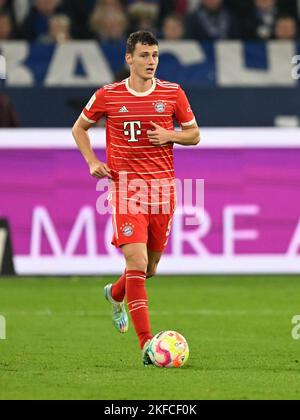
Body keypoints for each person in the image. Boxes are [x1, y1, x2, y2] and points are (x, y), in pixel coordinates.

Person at [72, 31, 200, 365]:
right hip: (127, 191)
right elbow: (79, 128)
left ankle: (114, 295)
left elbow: (195, 134)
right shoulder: (108, 95)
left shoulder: (173, 93)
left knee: (150, 269)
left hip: (162, 192)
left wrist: (169, 134)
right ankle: (147, 345)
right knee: (137, 264)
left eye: (155, 55)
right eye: (144, 55)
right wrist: (92, 162)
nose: (151, 61)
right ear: (129, 58)